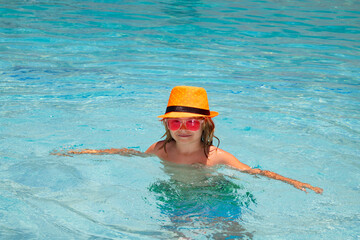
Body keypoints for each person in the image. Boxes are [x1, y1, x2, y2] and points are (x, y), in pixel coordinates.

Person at [58, 86, 323, 194]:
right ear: (167, 125)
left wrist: (294, 182)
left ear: (205, 124)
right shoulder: (161, 149)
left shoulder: (215, 156)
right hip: (177, 196)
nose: (184, 128)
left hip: (215, 194)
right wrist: (87, 152)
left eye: (192, 122)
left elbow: (253, 172)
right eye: (175, 122)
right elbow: (129, 153)